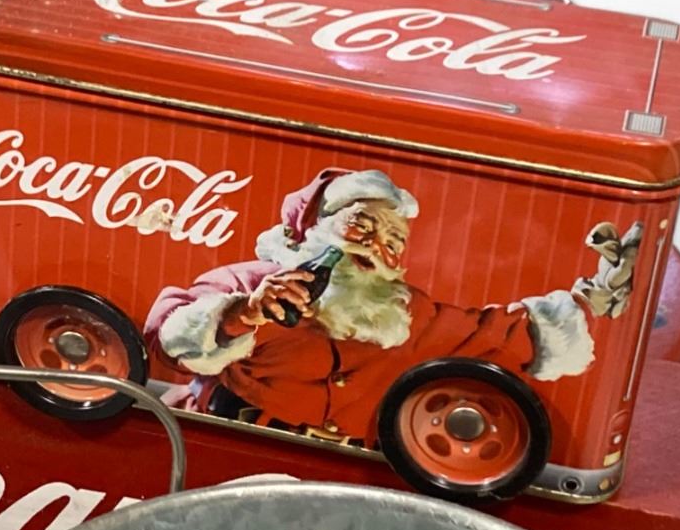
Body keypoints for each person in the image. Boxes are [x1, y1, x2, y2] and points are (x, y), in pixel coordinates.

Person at [146, 168, 640, 446]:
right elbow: (169, 338)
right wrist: (244, 315)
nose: (375, 246)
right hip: (228, 444)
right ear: (315, 227)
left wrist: (594, 295)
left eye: (393, 240)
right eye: (362, 225)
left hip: (351, 479)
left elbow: (502, 332)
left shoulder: (407, 314)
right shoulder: (255, 283)